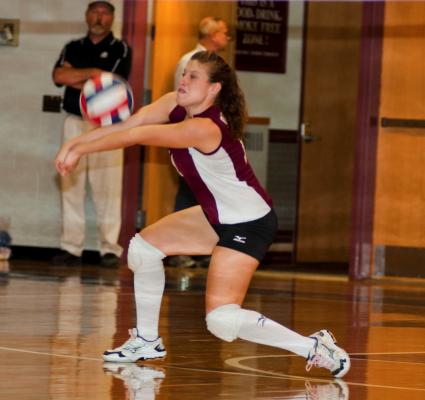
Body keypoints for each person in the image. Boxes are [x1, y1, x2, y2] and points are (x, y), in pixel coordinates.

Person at [55, 51, 350, 378]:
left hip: (249, 223)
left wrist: (80, 149)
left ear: (213, 89)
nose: (183, 80)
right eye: (185, 73)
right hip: (215, 215)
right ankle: (146, 340)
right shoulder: (174, 104)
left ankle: (314, 347)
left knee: (222, 320)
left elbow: (138, 136)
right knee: (143, 248)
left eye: (193, 77)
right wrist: (74, 143)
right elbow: (131, 123)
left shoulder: (205, 128)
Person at [51, 0, 132, 267]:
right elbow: (60, 76)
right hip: (75, 121)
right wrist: (94, 74)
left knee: (107, 187)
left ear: (112, 18)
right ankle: (71, 247)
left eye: (105, 13)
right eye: (95, 12)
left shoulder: (120, 48)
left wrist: (80, 76)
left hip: (107, 126)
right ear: (87, 16)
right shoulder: (72, 47)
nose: (99, 17)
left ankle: (109, 248)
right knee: (69, 182)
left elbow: (111, 82)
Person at [170, 17, 231, 268]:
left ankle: (205, 247)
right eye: (225, 32)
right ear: (212, 34)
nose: (228, 38)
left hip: (206, 137)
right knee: (189, 192)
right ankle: (179, 249)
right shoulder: (192, 60)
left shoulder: (216, 65)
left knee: (207, 192)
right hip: (190, 135)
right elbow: (182, 100)